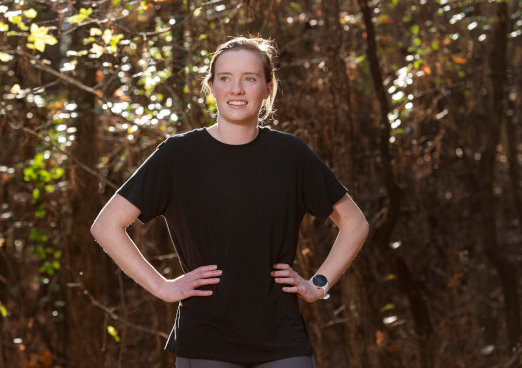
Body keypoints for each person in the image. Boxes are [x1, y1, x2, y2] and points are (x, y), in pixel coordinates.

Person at [90, 36, 369, 368]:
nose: (237, 89)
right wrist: (163, 287)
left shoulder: (290, 155)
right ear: (211, 87)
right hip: (206, 339)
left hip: (282, 338)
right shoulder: (178, 156)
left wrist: (317, 285)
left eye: (249, 78)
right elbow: (107, 225)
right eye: (225, 78)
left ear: (267, 88)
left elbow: (355, 223)